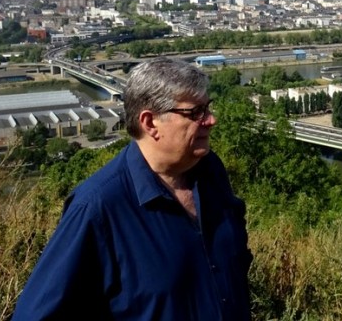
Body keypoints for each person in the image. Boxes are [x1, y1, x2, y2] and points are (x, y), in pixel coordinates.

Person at [13, 57, 251, 320]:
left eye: (207, 108)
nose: (211, 120)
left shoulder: (211, 172)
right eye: (195, 113)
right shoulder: (97, 207)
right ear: (150, 123)